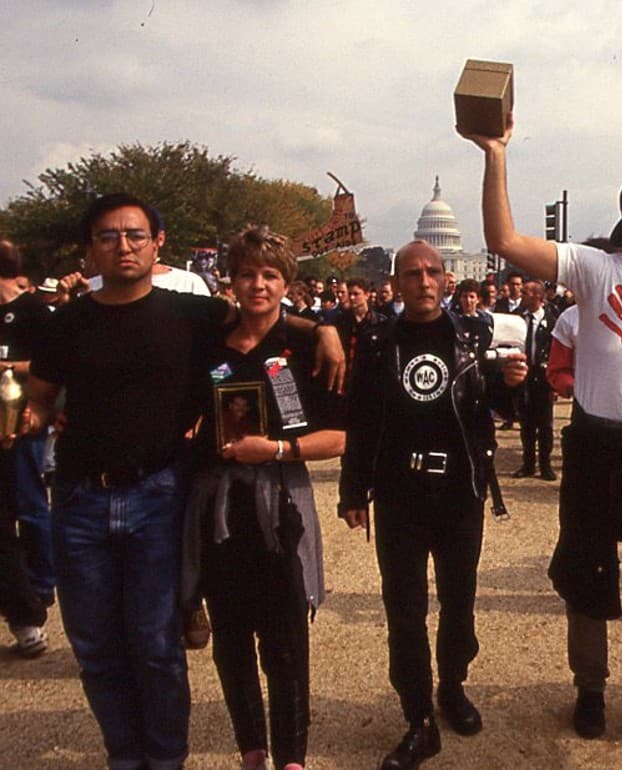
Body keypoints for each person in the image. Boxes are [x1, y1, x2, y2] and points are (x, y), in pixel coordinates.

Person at [21, 193, 343, 770]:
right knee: (95, 648)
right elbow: (42, 401)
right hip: (81, 498)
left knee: (156, 645)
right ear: (89, 247)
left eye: (135, 235)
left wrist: (323, 328)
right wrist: (33, 418)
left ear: (156, 244)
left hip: (158, 495)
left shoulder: (188, 314)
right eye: (108, 236)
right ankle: (127, 757)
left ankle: (167, 760)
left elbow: (261, 312)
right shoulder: (64, 323)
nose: (123, 246)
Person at [461, 116, 622, 759]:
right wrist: (496, 154)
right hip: (597, 443)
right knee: (588, 576)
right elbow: (504, 238)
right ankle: (591, 690)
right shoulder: (597, 269)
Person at [338, 240, 526, 770]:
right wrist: (352, 491)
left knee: (459, 600)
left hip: (458, 492)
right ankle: (418, 716)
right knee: (404, 609)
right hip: (399, 493)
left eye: (432, 272)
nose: (423, 281)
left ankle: (454, 684)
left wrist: (511, 385)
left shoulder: (469, 337)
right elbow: (360, 420)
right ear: (395, 283)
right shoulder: (377, 342)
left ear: (445, 279)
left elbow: (490, 409)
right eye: (412, 273)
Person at [182, 227, 346, 770]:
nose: (258, 285)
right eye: (248, 274)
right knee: (231, 635)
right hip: (218, 508)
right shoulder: (207, 339)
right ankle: (251, 747)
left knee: (285, 638)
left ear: (287, 282)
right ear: (231, 279)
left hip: (281, 505)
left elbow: (340, 436)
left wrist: (275, 448)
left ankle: (292, 757)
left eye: (270, 275)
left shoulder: (303, 347)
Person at [0, 239, 51, 657]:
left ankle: (40, 588)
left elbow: (54, 364)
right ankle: (23, 607)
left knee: (31, 510)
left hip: (22, 428)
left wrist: (10, 368)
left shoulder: (33, 311)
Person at [513, 279, 558, 480]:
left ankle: (545, 465)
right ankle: (528, 463)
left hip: (544, 378)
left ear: (538, 297)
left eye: (526, 292)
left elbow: (557, 350)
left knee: (545, 424)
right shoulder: (517, 319)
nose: (522, 295)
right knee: (527, 423)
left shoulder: (553, 321)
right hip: (524, 376)